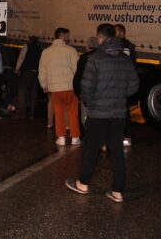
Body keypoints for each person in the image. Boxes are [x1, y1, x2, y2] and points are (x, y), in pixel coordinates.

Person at [65, 23, 139, 203]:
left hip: (98, 113)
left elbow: (86, 86)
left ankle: (83, 184)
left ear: (99, 38)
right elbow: (134, 86)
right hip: (118, 114)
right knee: (117, 153)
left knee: (91, 149)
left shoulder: (96, 58)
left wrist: (89, 101)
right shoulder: (124, 58)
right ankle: (118, 191)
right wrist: (120, 96)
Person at [38, 27, 80, 145]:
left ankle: (61, 138)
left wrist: (44, 84)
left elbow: (42, 71)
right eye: (67, 36)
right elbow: (77, 70)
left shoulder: (46, 52)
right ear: (62, 36)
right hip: (69, 87)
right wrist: (78, 86)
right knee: (72, 112)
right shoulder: (71, 50)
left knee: (58, 112)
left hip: (54, 88)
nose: (68, 38)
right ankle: (75, 137)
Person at [115, 23, 137, 147]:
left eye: (117, 32)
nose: (115, 34)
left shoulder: (124, 47)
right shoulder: (128, 46)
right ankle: (125, 136)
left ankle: (124, 135)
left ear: (122, 33)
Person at [73, 36, 99, 128]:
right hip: (99, 94)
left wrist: (77, 92)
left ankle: (89, 136)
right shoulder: (103, 58)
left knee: (86, 116)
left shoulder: (83, 59)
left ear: (87, 46)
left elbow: (78, 77)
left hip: (86, 94)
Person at [15, 36, 42, 119]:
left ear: (29, 40)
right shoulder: (40, 49)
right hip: (36, 73)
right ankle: (31, 115)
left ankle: (22, 114)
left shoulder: (26, 46)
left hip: (26, 72)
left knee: (22, 92)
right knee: (33, 94)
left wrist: (17, 68)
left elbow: (21, 58)